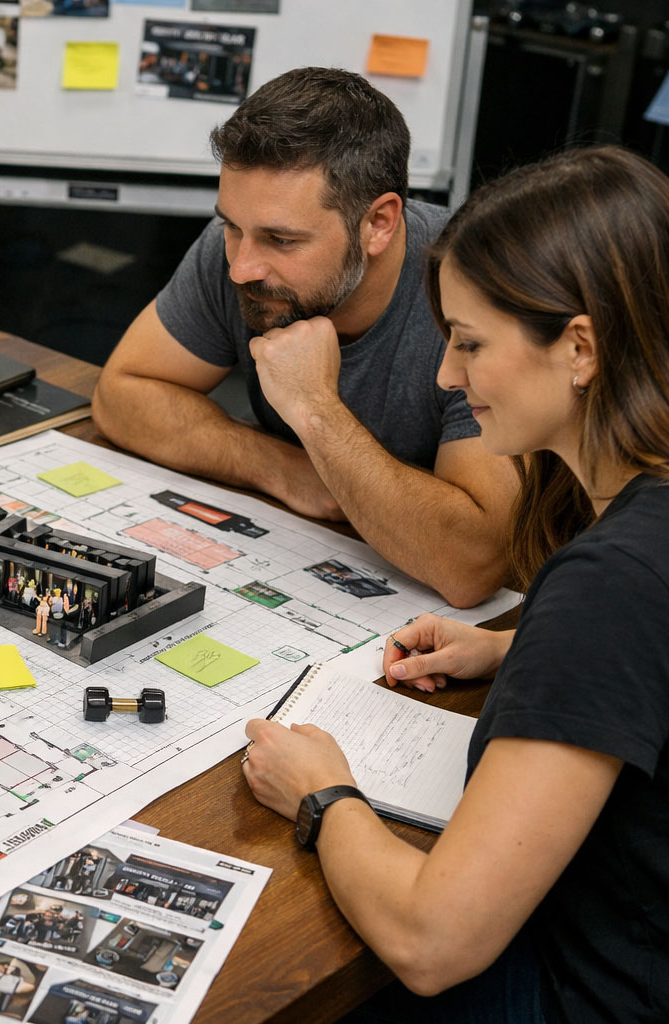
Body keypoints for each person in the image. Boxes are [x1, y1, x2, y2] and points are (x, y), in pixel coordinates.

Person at [242, 146, 669, 1021]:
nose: (447, 374)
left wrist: (322, 793)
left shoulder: (610, 585)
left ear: (580, 347)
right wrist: (522, 648)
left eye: (470, 343)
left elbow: (432, 943)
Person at [92, 68, 516, 608]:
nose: (242, 267)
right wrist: (287, 469)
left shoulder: (480, 296)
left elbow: (472, 563)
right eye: (231, 226)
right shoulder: (242, 247)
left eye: (282, 240)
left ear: (378, 223)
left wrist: (315, 411)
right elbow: (121, 395)